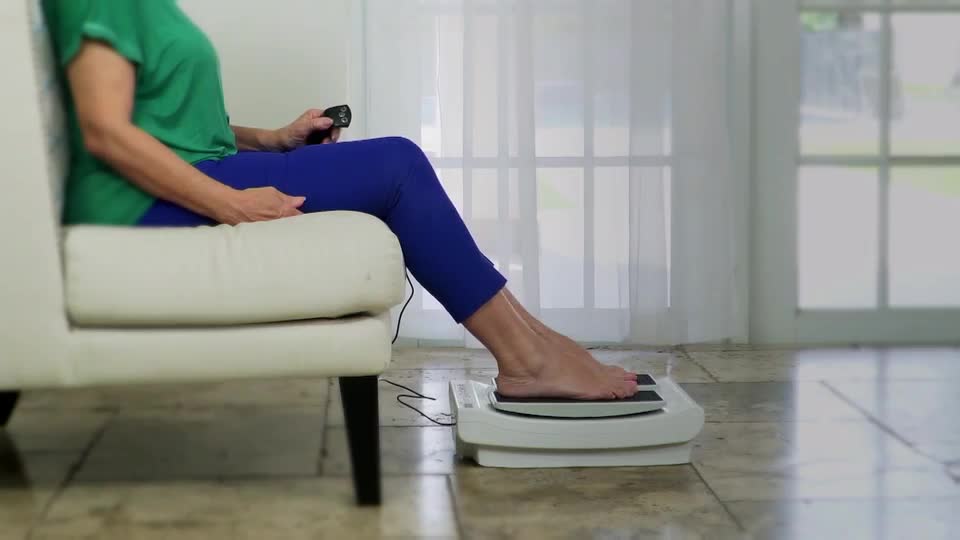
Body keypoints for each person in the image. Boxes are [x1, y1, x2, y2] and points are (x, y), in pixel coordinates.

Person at [42, 0, 638, 400]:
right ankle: (526, 359)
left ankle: (535, 341)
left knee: (395, 164)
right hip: (132, 202)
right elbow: (106, 132)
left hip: (190, 170)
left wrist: (274, 139)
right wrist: (232, 204)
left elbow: (171, 122)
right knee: (397, 165)